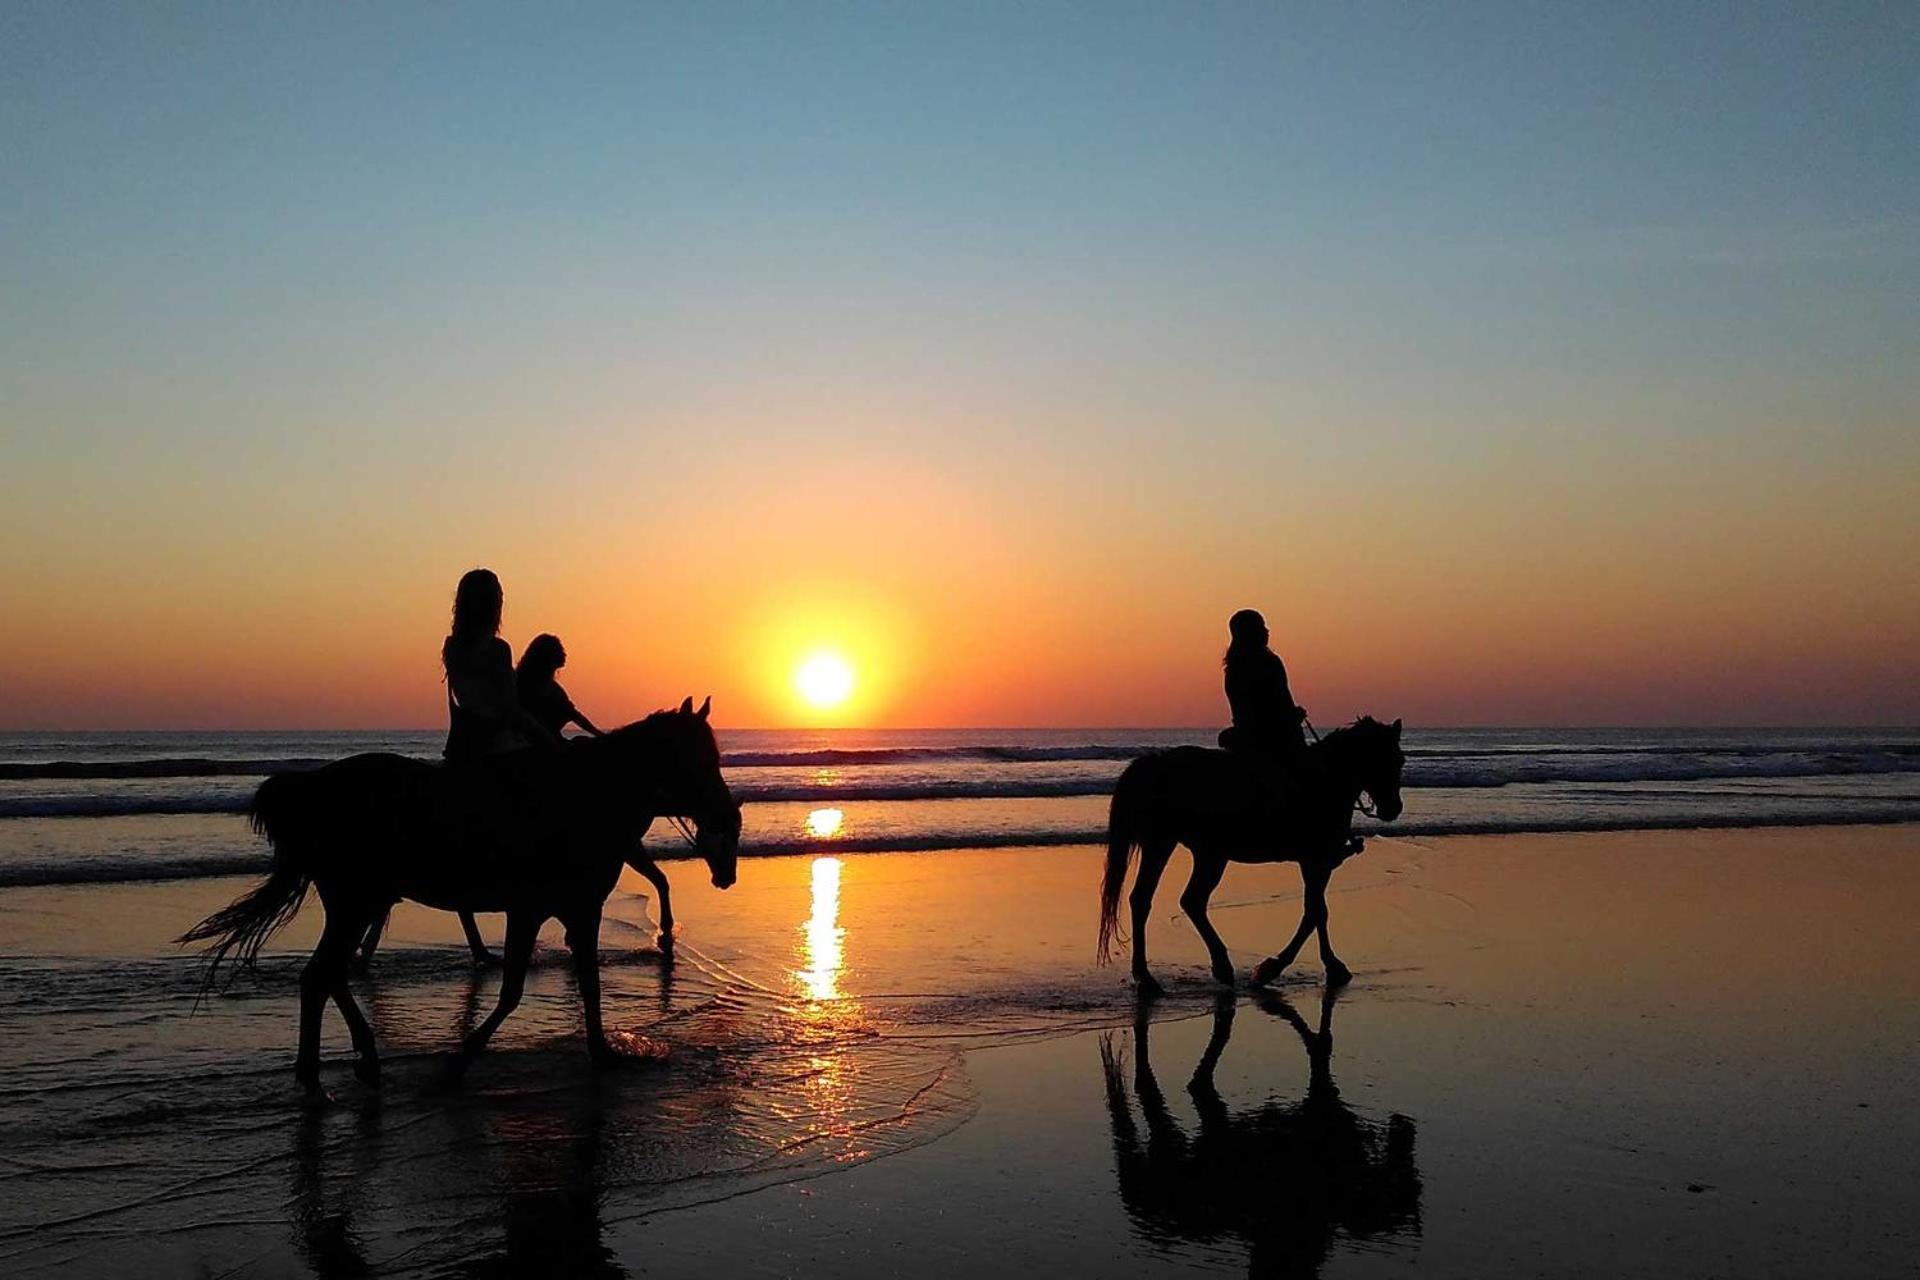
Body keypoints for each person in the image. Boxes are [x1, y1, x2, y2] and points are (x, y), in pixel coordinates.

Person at [439, 568, 556, 965]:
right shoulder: (499, 650)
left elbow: (467, 699)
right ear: (495, 605)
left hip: (462, 753)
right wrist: (547, 737)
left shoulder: (451, 646)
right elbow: (509, 710)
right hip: (499, 750)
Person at [1218, 608, 1309, 760]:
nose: (1267, 630)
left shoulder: (1233, 666)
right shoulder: (1269, 662)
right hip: (1274, 739)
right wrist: (1295, 716)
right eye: (1261, 626)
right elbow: (1279, 702)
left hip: (1248, 736)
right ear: (1251, 632)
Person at [515, 634, 605, 741]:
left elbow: (573, 714)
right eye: (560, 650)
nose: (564, 654)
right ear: (547, 655)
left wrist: (599, 735)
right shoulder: (527, 683)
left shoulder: (553, 687)